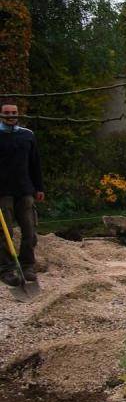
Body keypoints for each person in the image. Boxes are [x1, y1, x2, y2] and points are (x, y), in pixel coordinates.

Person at [0, 101, 44, 285]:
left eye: (14, 112)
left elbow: (35, 163)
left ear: (18, 114)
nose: (11, 115)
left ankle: (27, 265)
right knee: (4, 232)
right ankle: (7, 269)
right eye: (7, 113)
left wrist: (39, 188)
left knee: (29, 231)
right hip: (3, 192)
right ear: (1, 115)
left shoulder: (27, 135)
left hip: (25, 190)